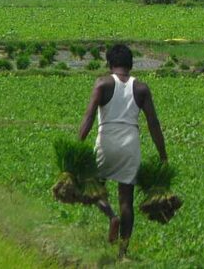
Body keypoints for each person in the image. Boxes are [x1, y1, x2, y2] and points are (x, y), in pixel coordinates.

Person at [78, 44, 167, 259]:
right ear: (131, 65)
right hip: (130, 144)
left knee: (92, 187)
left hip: (106, 140)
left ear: (109, 64)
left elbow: (89, 117)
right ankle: (123, 252)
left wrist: (78, 145)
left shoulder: (102, 84)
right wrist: (163, 155)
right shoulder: (141, 88)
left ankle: (111, 216)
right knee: (126, 200)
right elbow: (153, 124)